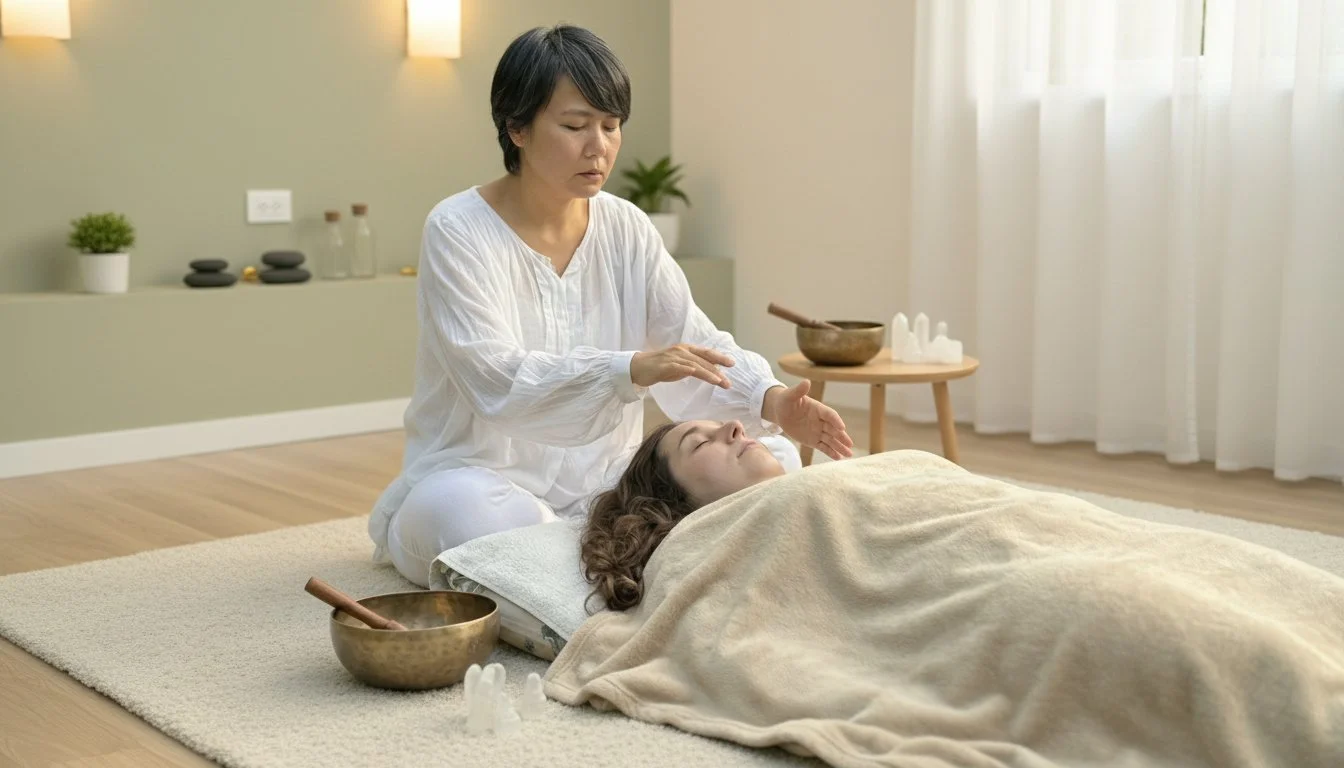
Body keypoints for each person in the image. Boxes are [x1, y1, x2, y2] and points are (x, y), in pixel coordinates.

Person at [369, 25, 854, 588]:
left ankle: (572, 566)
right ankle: (622, 555)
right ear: (516, 128)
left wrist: (771, 401)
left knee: (776, 457)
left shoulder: (625, 226)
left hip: (608, 488)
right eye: (575, 126)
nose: (598, 145)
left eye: (611, 124)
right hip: (482, 478)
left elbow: (691, 341)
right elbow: (494, 381)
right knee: (461, 515)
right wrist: (626, 370)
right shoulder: (457, 229)